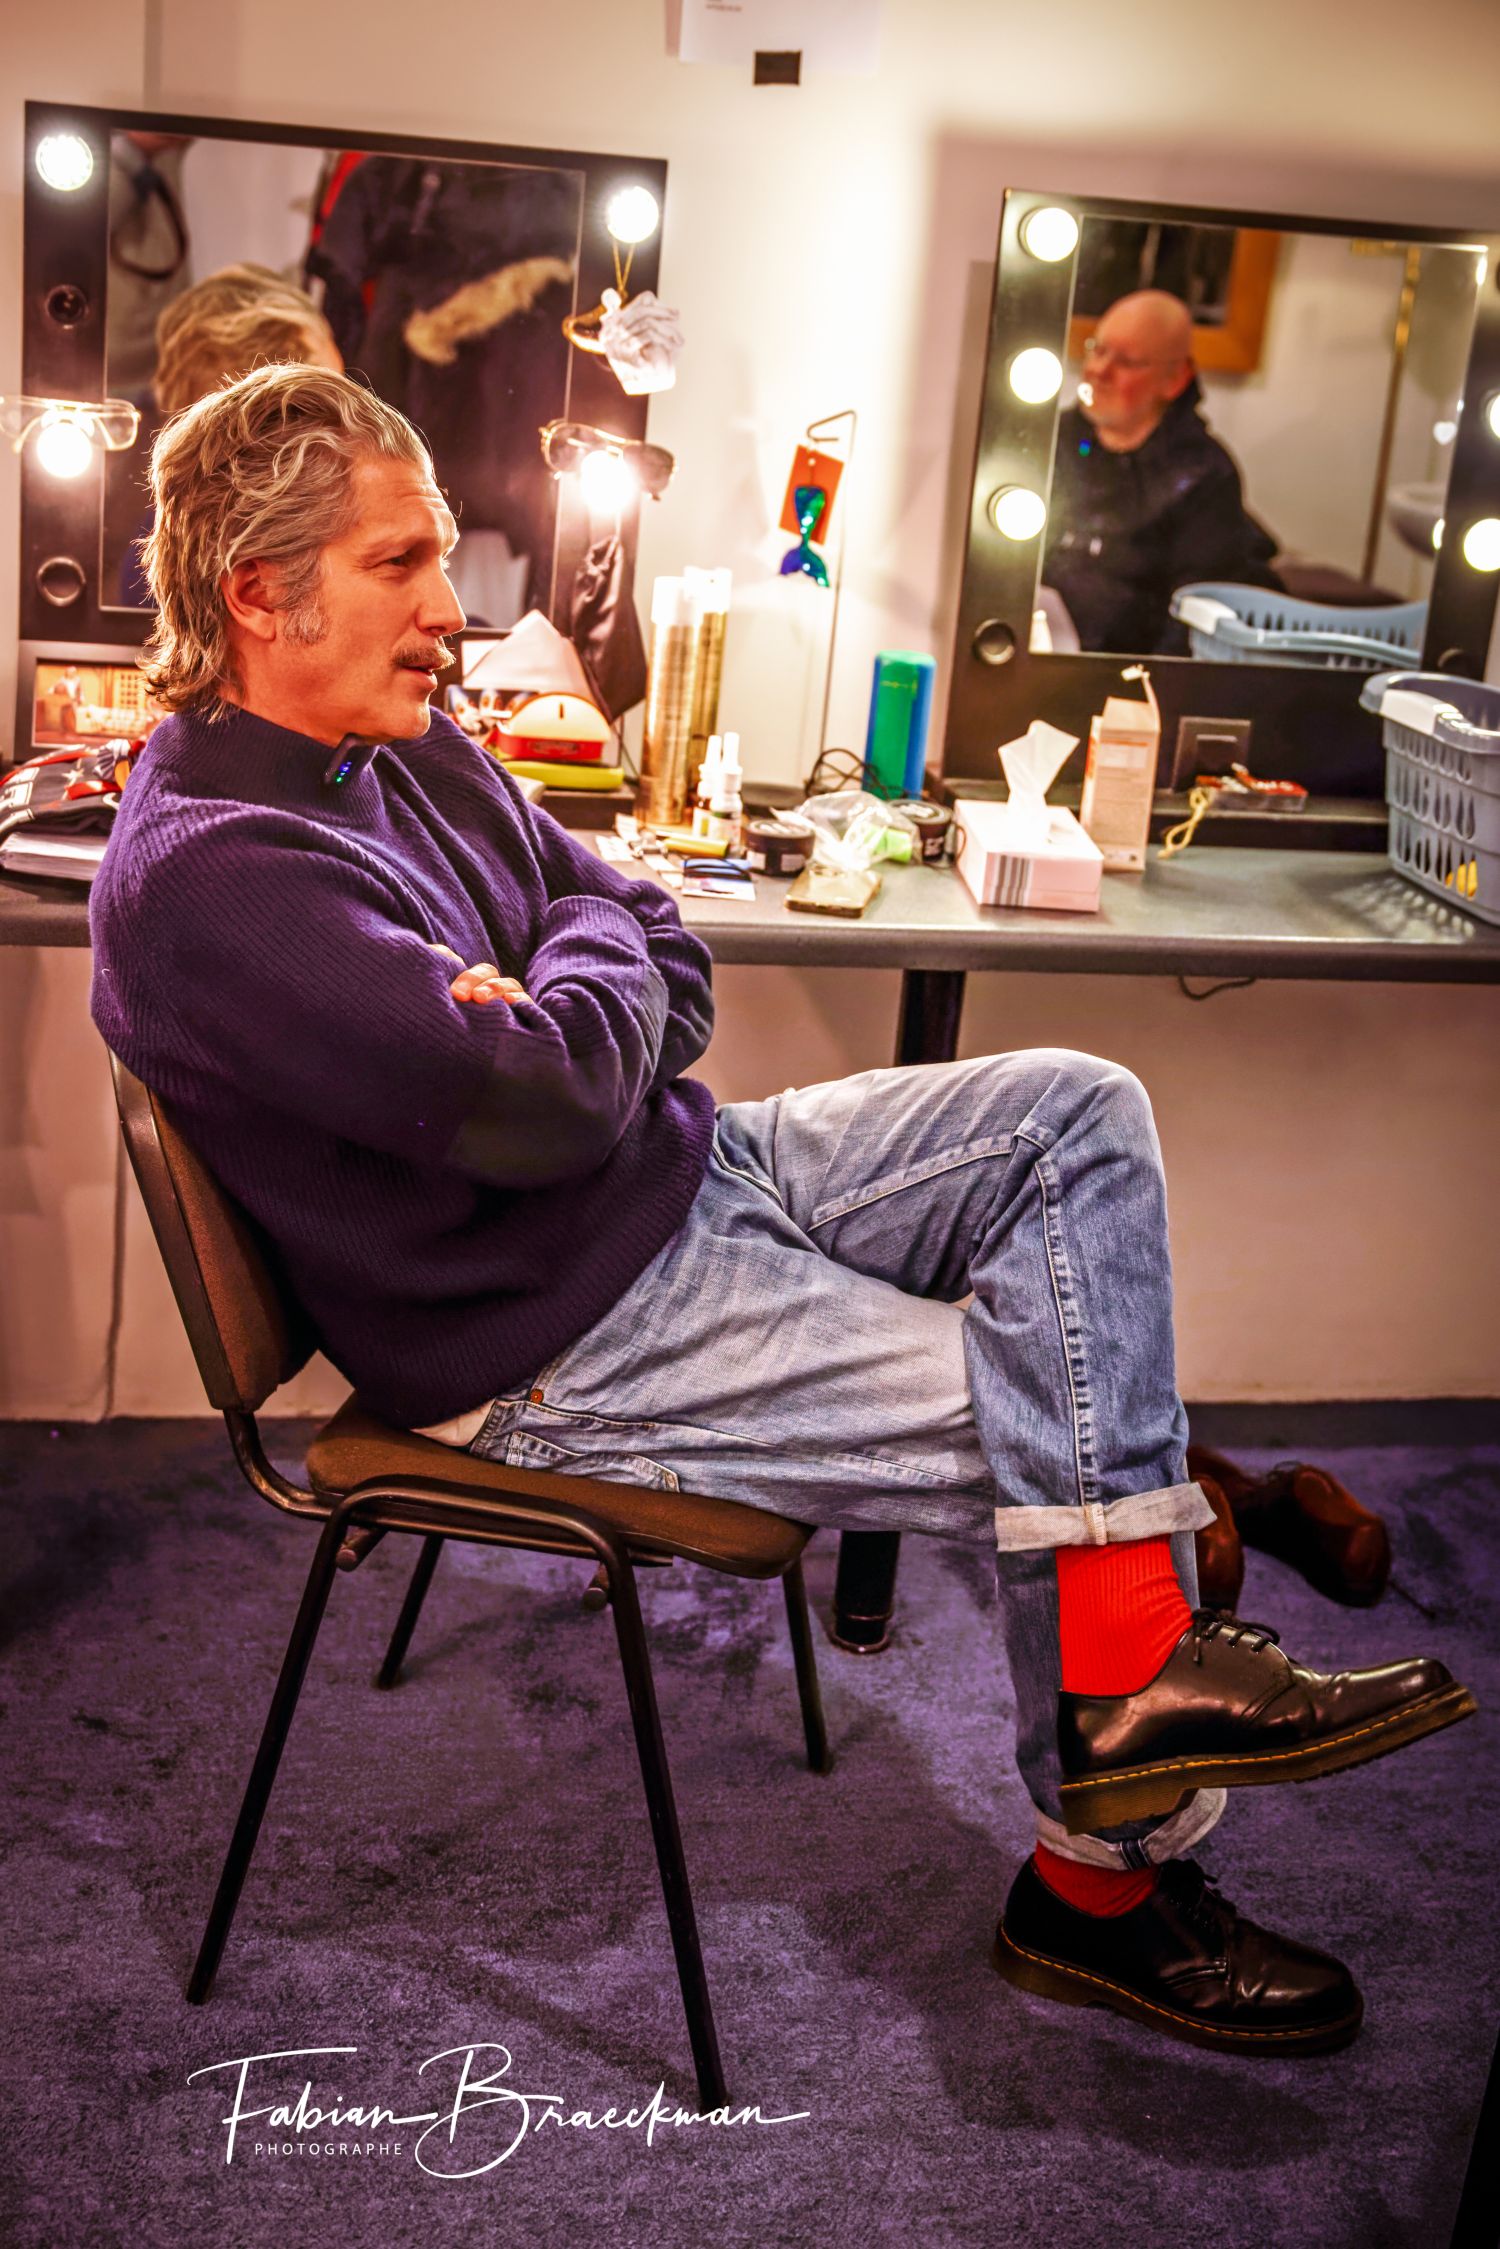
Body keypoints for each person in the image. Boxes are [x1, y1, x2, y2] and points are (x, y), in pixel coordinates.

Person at [90, 364, 1474, 2060]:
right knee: (1080, 1417)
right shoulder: (212, 875)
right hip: (556, 1339)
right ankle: (1101, 1886)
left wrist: (560, 974)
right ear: (257, 593)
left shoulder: (402, 742)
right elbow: (553, 1091)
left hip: (683, 1177)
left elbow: (642, 933)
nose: (452, 609)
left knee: (1077, 1111)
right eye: (402, 564)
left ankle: (1128, 1685)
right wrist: (578, 989)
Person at [1044, 289, 1282, 653]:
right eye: (1098, 349)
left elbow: (1189, 627)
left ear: (1175, 379)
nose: (1099, 370)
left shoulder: (1203, 476)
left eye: (1127, 361)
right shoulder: (1048, 443)